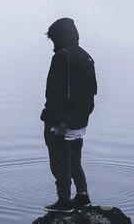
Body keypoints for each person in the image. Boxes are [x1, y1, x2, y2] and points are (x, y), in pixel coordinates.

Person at [40, 17, 97, 213]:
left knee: (60, 162)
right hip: (80, 121)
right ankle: (83, 196)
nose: (53, 44)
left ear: (60, 37)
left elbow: (56, 93)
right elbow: (92, 91)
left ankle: (64, 202)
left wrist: (57, 121)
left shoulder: (61, 57)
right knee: (75, 160)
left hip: (61, 122)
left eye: (54, 39)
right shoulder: (86, 57)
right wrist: (81, 118)